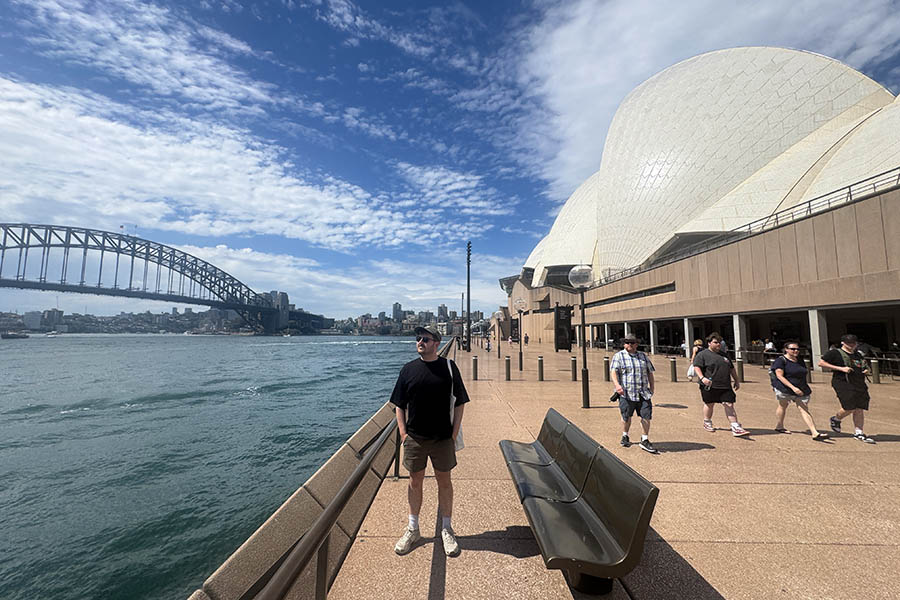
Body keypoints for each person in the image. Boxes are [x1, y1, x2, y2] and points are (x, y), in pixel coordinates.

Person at [390, 325, 470, 557]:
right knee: (415, 482)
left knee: (444, 482)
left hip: (443, 438)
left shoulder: (449, 368)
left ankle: (447, 528)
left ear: (437, 343)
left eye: (425, 339)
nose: (420, 342)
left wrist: (453, 434)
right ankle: (413, 528)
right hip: (415, 438)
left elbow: (460, 402)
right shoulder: (408, 370)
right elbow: (399, 405)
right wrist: (403, 434)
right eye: (418, 338)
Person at [819, 334, 875, 444]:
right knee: (849, 406)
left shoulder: (858, 354)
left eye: (854, 343)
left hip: (859, 383)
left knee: (859, 407)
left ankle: (859, 432)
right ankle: (836, 419)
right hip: (843, 383)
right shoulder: (834, 353)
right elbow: (821, 363)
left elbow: (864, 365)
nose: (852, 345)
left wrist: (866, 370)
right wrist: (840, 368)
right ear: (843, 343)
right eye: (849, 343)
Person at [692, 332, 748, 436]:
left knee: (729, 404)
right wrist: (702, 378)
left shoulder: (724, 355)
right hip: (709, 385)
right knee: (709, 404)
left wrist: (736, 380)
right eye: (715, 342)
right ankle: (707, 422)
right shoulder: (702, 355)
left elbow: (731, 368)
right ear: (709, 343)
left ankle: (735, 426)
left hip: (725, 384)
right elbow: (696, 366)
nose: (718, 344)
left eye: (719, 342)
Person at [771, 341, 828, 441]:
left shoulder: (800, 360)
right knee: (783, 405)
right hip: (785, 389)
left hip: (801, 389)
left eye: (797, 349)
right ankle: (780, 426)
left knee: (803, 409)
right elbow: (779, 376)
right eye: (793, 349)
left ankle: (814, 432)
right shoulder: (780, 361)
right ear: (786, 349)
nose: (796, 351)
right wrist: (793, 388)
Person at [611, 334, 659, 453]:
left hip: (643, 393)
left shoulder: (643, 356)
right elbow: (614, 372)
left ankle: (645, 439)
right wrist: (617, 386)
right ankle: (625, 435)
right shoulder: (619, 356)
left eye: (632, 343)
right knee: (626, 416)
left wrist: (652, 388)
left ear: (637, 344)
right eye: (627, 342)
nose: (629, 345)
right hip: (626, 393)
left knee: (646, 415)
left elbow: (650, 372)